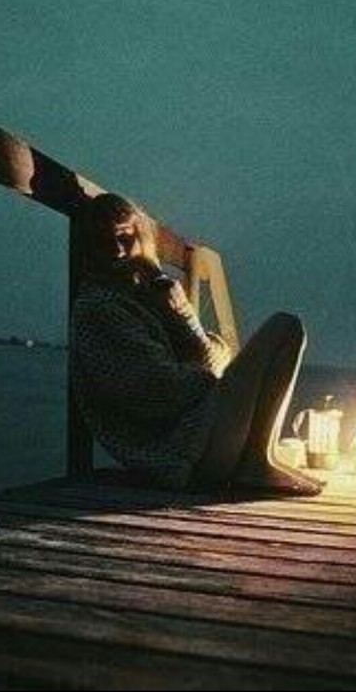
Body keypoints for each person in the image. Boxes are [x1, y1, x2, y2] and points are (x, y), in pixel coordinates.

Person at [70, 193, 324, 496]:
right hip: (180, 455)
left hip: (197, 441)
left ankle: (261, 459)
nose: (117, 250)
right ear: (89, 248)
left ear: (141, 237)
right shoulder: (100, 309)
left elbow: (210, 356)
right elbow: (164, 389)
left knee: (286, 328)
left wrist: (181, 316)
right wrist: (214, 369)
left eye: (125, 238)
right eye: (103, 242)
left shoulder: (143, 296)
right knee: (284, 327)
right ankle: (256, 464)